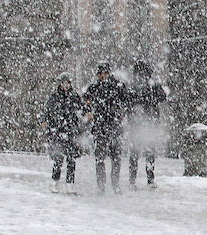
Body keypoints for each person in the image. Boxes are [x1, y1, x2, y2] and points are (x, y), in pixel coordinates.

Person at [84, 61, 131, 195]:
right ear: (98, 75)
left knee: (116, 158)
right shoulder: (94, 88)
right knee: (100, 158)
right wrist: (89, 111)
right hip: (100, 127)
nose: (103, 76)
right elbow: (85, 101)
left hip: (114, 126)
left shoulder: (118, 86)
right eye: (101, 73)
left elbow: (127, 100)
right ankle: (101, 186)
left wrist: (122, 113)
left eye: (105, 73)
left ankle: (115, 184)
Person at [124, 61, 167, 189]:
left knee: (137, 154)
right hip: (145, 124)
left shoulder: (136, 87)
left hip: (142, 124)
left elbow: (162, 97)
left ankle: (136, 181)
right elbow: (162, 97)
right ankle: (147, 181)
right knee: (144, 154)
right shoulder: (148, 86)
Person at [43, 72, 85, 193]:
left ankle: (70, 184)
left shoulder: (74, 96)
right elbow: (47, 111)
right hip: (58, 131)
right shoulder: (54, 97)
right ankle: (55, 182)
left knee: (71, 159)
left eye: (68, 83)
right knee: (58, 158)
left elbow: (81, 109)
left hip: (71, 131)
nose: (66, 85)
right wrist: (45, 121)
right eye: (64, 83)